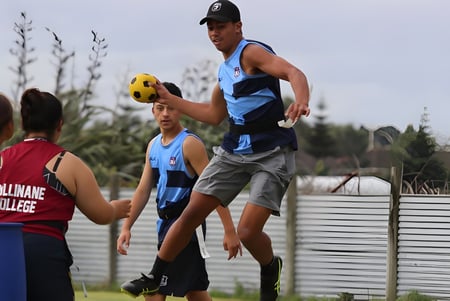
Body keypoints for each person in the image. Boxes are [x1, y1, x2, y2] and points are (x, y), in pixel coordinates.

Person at [120, 1, 310, 300]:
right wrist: (170, 98)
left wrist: (300, 99)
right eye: (210, 26)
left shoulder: (251, 53)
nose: (214, 31)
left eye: (220, 25)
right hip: (234, 150)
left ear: (238, 27)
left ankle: (270, 267)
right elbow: (212, 114)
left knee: (247, 232)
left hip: (272, 150)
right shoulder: (223, 72)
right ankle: (155, 277)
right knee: (190, 213)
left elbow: (293, 72)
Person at [0, 88, 132, 301]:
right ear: (59, 125)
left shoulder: (3, 158)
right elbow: (100, 214)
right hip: (44, 253)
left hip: (4, 251)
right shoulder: (67, 162)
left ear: (23, 124)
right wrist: (118, 208)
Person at [118, 82, 242, 300]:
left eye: (171, 107)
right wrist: (127, 226)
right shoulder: (153, 145)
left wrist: (229, 230)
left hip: (187, 226)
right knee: (194, 292)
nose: (165, 114)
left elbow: (214, 189)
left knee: (153, 290)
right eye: (159, 108)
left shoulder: (189, 144)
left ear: (180, 108)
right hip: (165, 226)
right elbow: (143, 190)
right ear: (152, 110)